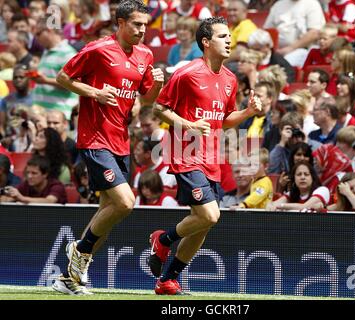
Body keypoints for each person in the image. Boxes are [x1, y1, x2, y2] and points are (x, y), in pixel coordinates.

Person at [52, 0, 164, 295]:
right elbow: (62, 77)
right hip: (94, 138)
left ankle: (68, 280)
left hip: (121, 140)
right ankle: (79, 250)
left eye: (145, 24)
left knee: (108, 210)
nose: (142, 30)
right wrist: (95, 93)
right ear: (121, 22)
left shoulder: (145, 54)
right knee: (125, 202)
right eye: (137, 24)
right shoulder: (98, 49)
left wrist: (158, 86)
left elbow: (147, 99)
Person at [149, 17, 262, 295]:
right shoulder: (187, 73)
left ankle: (167, 280)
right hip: (185, 154)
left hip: (211, 158)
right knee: (211, 215)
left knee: (202, 225)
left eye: (229, 36)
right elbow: (159, 110)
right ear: (206, 42)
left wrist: (248, 113)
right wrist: (188, 125)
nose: (229, 40)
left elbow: (223, 119)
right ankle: (163, 240)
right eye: (223, 36)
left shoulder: (230, 79)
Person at [2, 155, 67, 204]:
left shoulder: (56, 186)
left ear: (45, 174)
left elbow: (49, 201)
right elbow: (9, 198)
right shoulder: (26, 185)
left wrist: (22, 198)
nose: (29, 176)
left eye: (34, 173)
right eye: (28, 172)